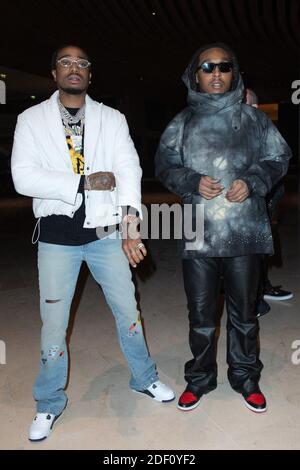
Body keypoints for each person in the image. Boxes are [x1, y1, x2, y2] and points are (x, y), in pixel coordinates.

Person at [11, 44, 174, 442]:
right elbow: (23, 177)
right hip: (55, 235)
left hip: (105, 231)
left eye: (82, 63)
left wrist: (131, 223)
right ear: (53, 73)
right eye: (65, 62)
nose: (74, 68)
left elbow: (127, 170)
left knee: (127, 311)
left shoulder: (111, 118)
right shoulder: (30, 120)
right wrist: (83, 181)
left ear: (90, 74)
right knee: (54, 325)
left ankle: (144, 377)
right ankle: (49, 402)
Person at [155, 43, 291, 413]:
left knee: (244, 314)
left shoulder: (256, 120)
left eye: (224, 66)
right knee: (200, 313)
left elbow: (279, 157)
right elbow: (164, 165)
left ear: (234, 73)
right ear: (194, 74)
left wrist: (254, 180)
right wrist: (190, 180)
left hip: (244, 228)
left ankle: (246, 378)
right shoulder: (181, 122)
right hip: (198, 229)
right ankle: (199, 378)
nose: (216, 73)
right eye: (208, 67)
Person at [244, 89, 293, 318]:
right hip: (244, 204)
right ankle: (253, 295)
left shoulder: (260, 129)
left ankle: (258, 291)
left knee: (258, 248)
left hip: (264, 197)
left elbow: (278, 161)